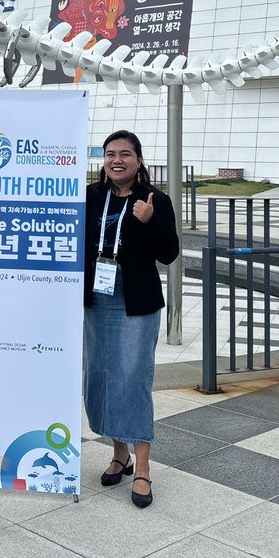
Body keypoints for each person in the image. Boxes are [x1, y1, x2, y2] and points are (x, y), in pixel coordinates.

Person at [83, 130, 180, 507]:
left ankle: (142, 468)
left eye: (125, 154)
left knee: (133, 378)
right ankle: (118, 453)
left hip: (135, 298)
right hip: (97, 296)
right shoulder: (92, 197)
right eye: (110, 154)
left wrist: (150, 220)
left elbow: (169, 254)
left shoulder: (155, 200)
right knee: (102, 374)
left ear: (139, 161)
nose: (117, 160)